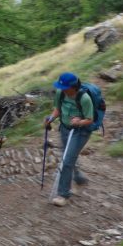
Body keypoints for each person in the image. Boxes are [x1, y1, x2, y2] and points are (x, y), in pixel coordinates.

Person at [45, 72, 92, 207]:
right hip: (65, 128)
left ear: (73, 87)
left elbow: (90, 120)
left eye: (64, 86)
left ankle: (63, 194)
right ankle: (77, 175)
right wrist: (51, 118)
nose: (62, 88)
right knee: (67, 153)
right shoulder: (61, 93)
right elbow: (58, 109)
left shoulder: (85, 99)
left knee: (66, 161)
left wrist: (79, 122)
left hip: (80, 132)